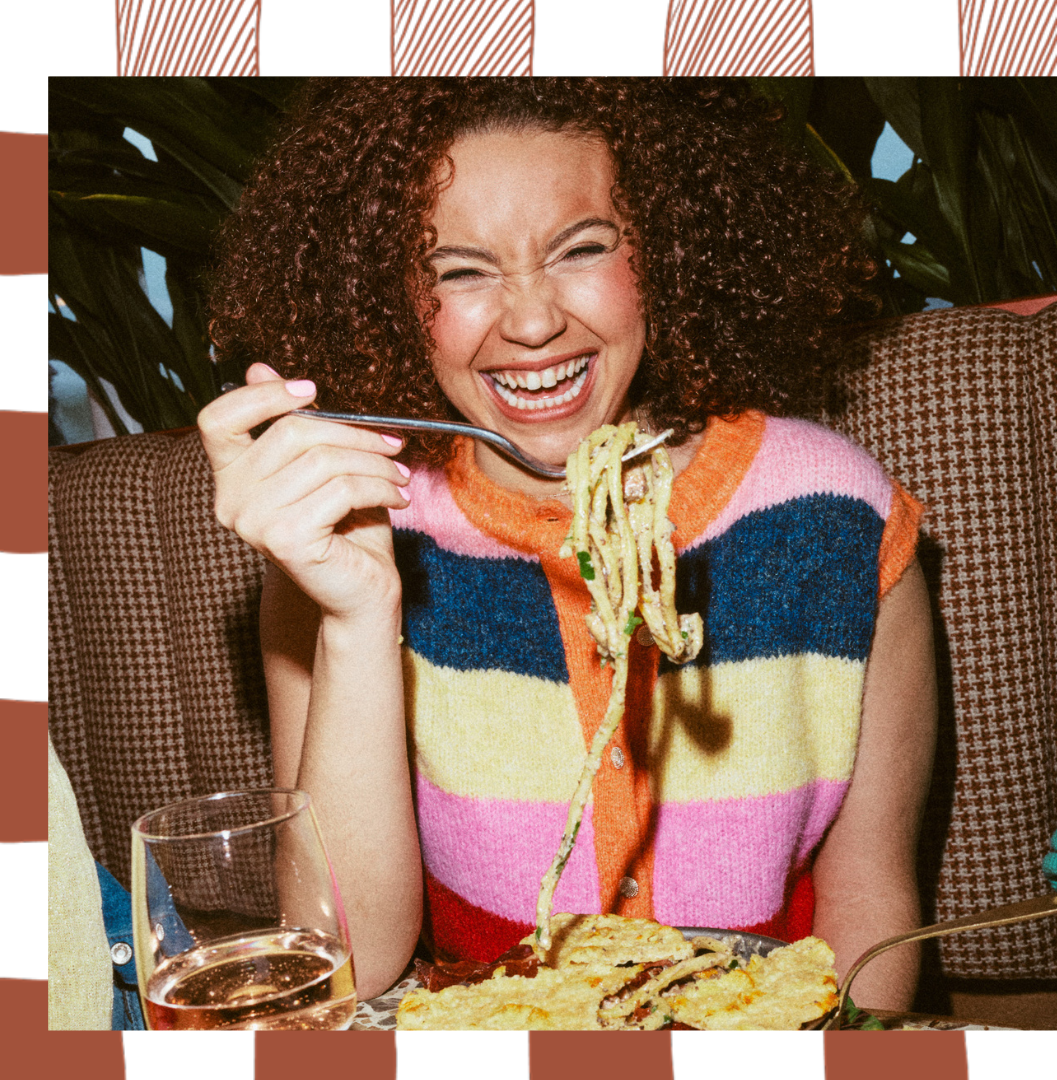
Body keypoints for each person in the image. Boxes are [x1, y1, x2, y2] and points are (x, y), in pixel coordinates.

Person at [199, 78, 937, 1009]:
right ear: (388, 300)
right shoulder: (352, 537)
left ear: (667, 252)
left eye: (581, 248)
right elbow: (355, 964)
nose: (534, 321)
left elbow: (872, 893)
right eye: (458, 271)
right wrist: (354, 617)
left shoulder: (841, 517)